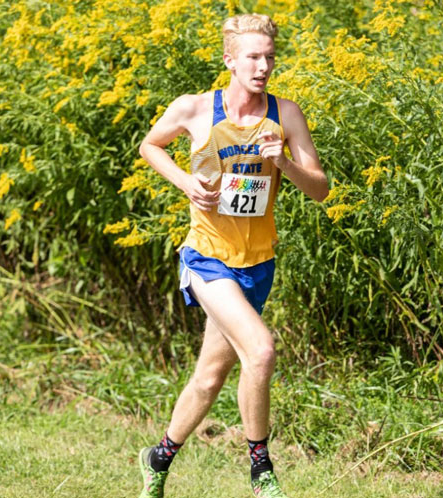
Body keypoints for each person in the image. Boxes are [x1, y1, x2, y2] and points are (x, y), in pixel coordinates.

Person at [137, 13, 328, 498]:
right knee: (261, 351)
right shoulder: (196, 109)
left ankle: (157, 459)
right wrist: (185, 183)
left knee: (210, 377)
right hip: (207, 257)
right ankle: (261, 469)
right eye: (253, 57)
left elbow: (320, 189)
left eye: (269, 58)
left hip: (258, 263)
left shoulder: (286, 115)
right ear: (230, 60)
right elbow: (150, 145)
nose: (263, 67)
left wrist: (281, 161)